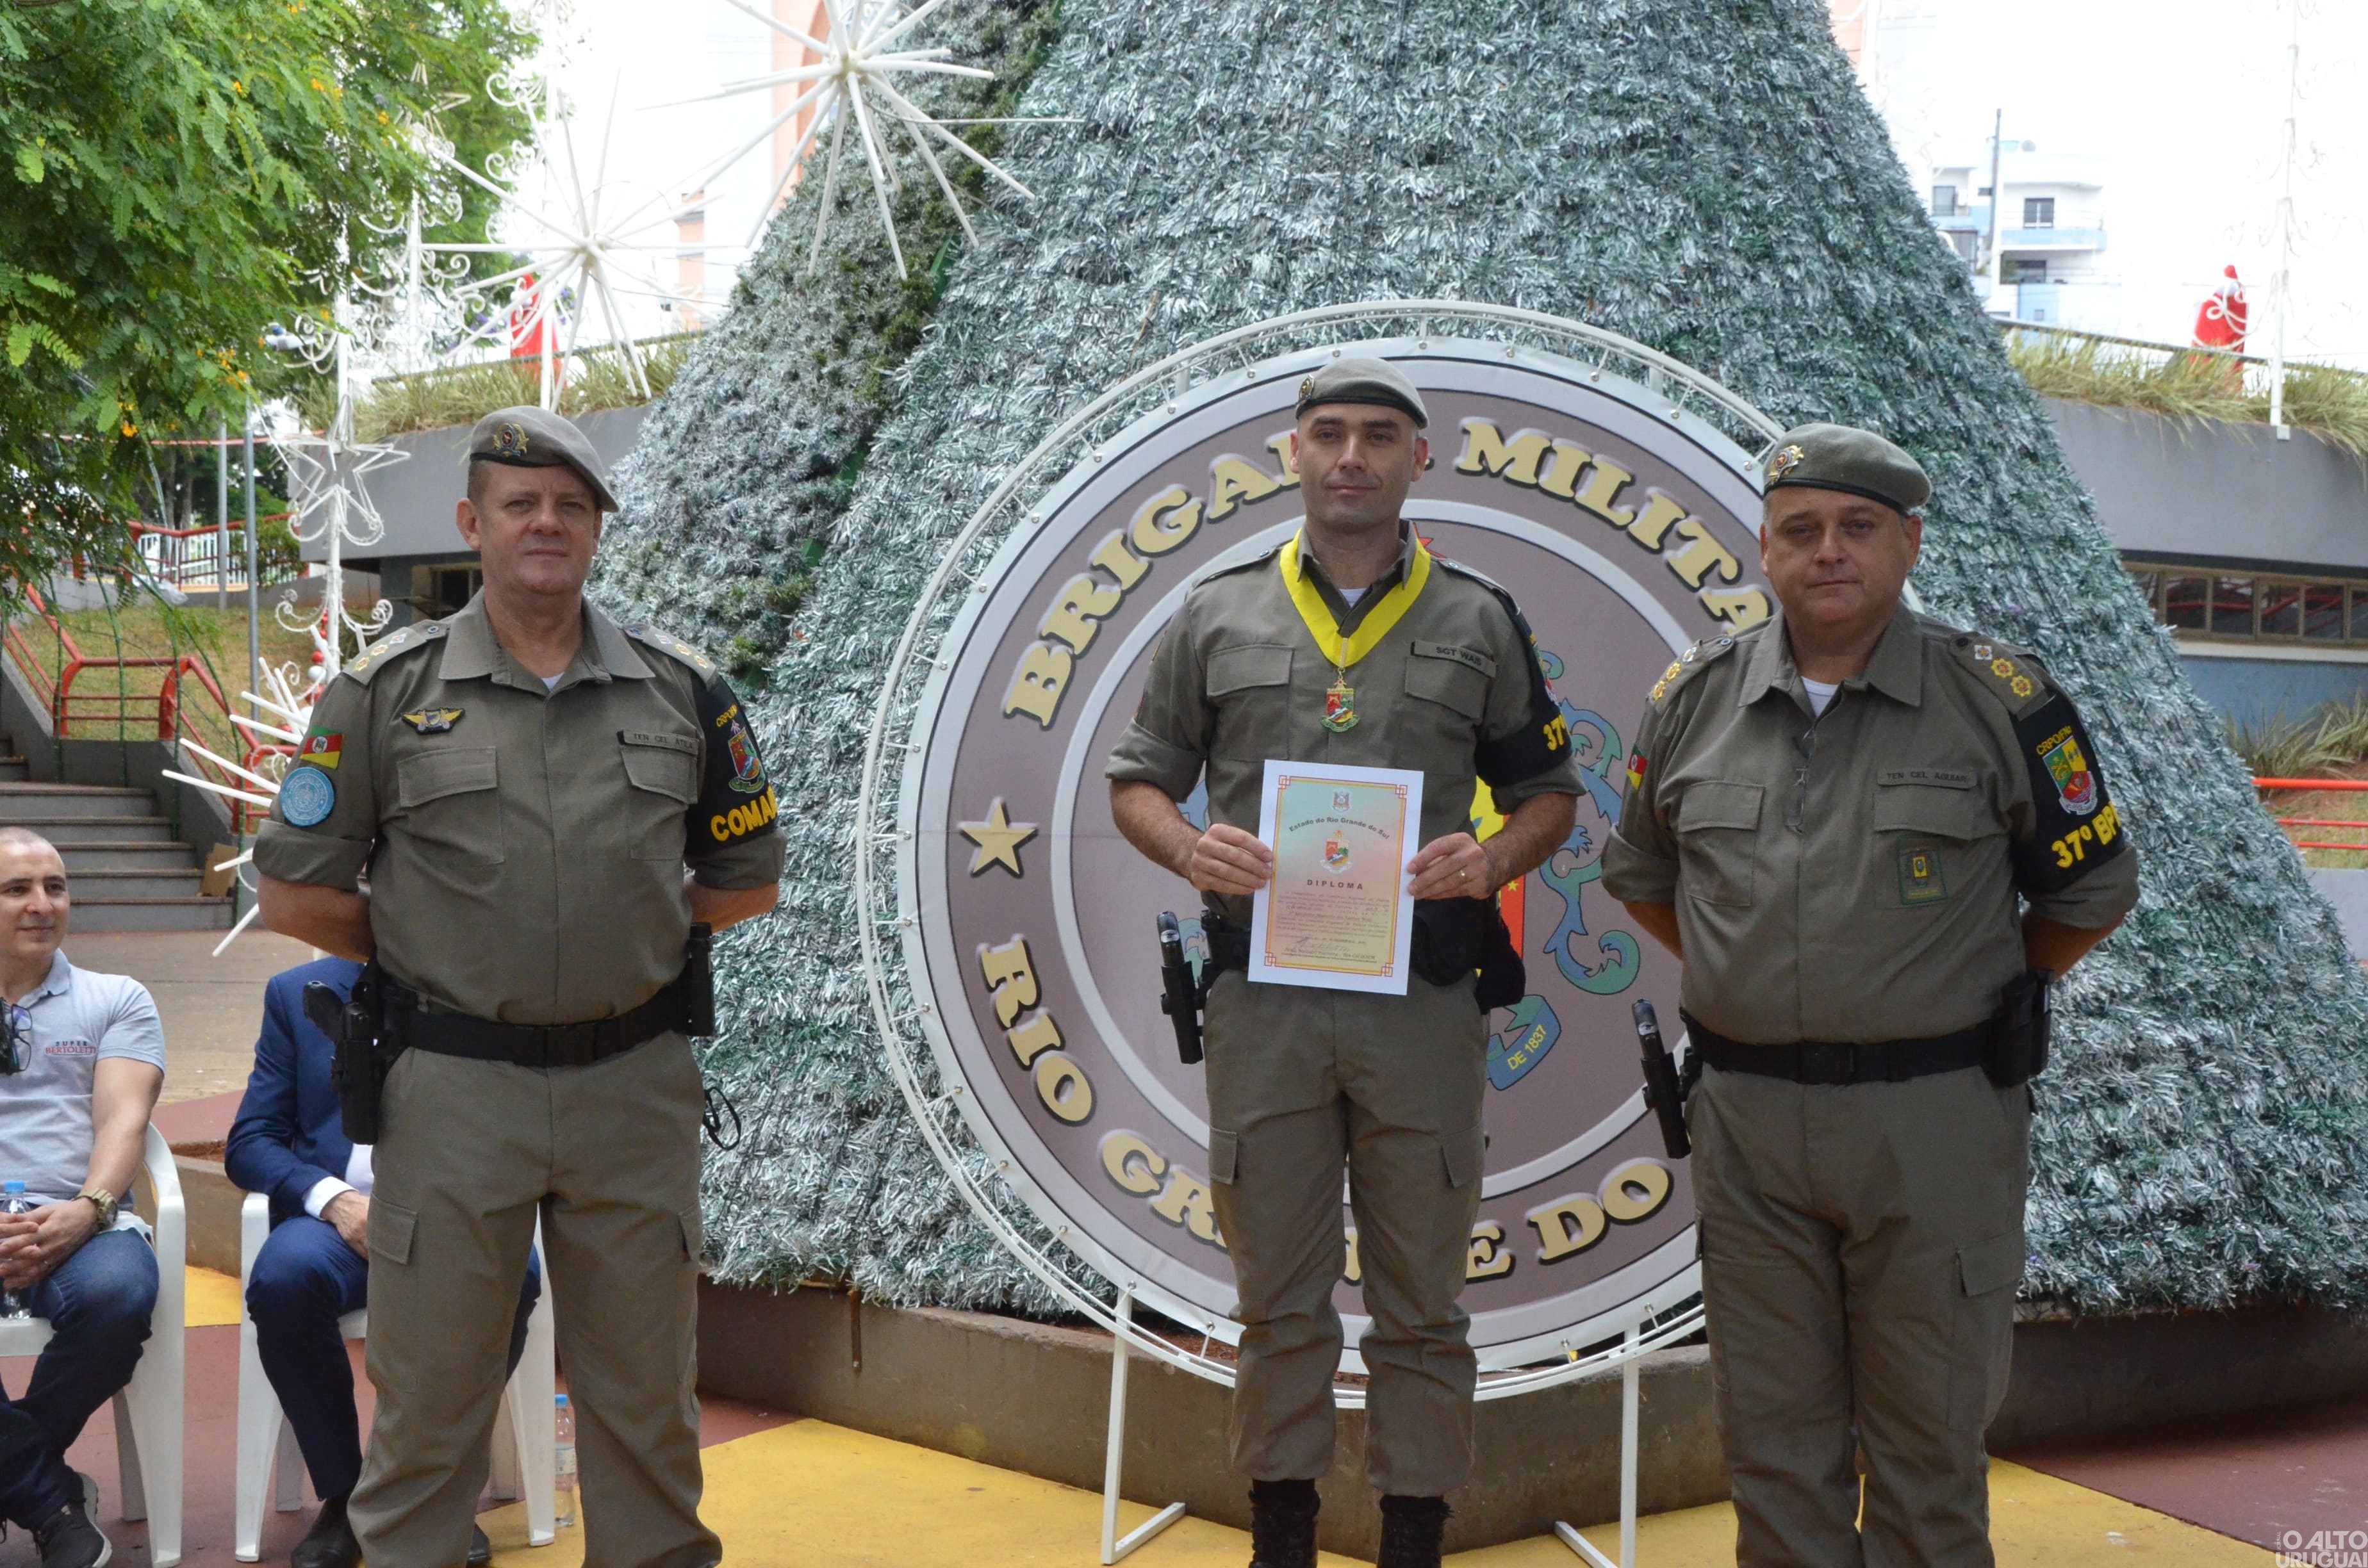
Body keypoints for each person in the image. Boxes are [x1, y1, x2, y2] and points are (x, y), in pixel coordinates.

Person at [254, 405, 785, 1568]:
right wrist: (432, 942)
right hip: (453, 1090)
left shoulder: (682, 690)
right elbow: (295, 892)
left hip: (635, 1090)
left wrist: (631, 929)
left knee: (645, 1394)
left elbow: (747, 878)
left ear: (598, 526)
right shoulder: (383, 693)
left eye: (570, 504)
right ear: (472, 523)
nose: (545, 522)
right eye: (518, 502)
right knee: (432, 1395)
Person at [1602, 423, 2141, 1567]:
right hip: (1749, 1124)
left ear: (1908, 543)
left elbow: (2092, 886)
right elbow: (1644, 876)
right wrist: (1745, 972)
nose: (1828, 551)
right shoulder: (1696, 698)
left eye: (1857, 528)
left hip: (1933, 1122)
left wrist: (2009, 987)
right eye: (1801, 530)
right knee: (1772, 1451)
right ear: (1764, 548)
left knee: (1927, 1451)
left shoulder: (1998, 699)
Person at [1107, 359, 1582, 1568]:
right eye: (1328, 433)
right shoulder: (1216, 611)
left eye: (1380, 435)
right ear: (1295, 454)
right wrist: (1189, 847)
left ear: (1422, 458)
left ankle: (1415, 1532)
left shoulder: (1480, 616)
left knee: (1424, 1296)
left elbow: (1548, 796)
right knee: (1277, 1290)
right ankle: (1283, 1534)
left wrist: (1488, 857)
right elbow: (1137, 782)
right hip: (1262, 1004)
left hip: (1420, 1003)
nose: (1352, 455)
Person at [226, 956, 543, 1568]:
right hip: (337, 1222)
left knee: (516, 1277)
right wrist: (334, 1201)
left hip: (456, 1216)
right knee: (284, 1280)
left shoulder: (483, 980)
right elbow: (252, 1139)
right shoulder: (298, 993)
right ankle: (349, 1495)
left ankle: (432, 1491)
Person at [0, 827, 166, 1568]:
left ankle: (18, 1477)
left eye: (56, 887)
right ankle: (46, 1498)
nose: (42, 905)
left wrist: (89, 1207)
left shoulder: (116, 998)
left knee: (119, 1299)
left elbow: (125, 1121)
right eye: (17, 890)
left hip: (87, 1220)